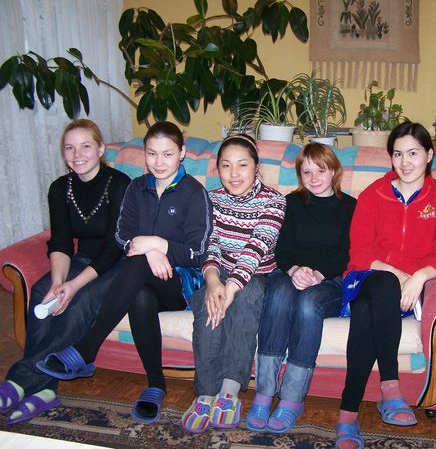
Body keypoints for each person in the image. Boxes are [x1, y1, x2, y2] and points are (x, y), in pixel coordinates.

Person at [36, 121, 213, 424]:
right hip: (145, 279)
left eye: (168, 154)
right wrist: (149, 251)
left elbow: (198, 252)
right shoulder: (136, 187)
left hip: (182, 283)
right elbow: (122, 235)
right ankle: (155, 386)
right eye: (152, 154)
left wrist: (157, 245)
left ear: (182, 153)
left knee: (136, 263)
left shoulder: (194, 193)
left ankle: (86, 349)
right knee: (141, 296)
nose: (159, 162)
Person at [335, 122, 436, 448]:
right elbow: (360, 253)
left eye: (413, 153)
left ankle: (347, 414)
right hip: (367, 276)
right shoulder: (373, 195)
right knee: (383, 286)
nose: (405, 162)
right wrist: (396, 274)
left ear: (429, 155)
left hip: (409, 289)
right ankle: (390, 386)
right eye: (397, 154)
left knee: (367, 311)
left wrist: (420, 276)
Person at [0, 119, 131, 424]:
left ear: (100, 149)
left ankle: (19, 380)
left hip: (120, 264)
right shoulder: (60, 188)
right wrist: (58, 281)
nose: (77, 154)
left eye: (85, 146)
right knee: (42, 296)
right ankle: (46, 390)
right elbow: (60, 241)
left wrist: (73, 286)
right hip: (82, 259)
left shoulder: (120, 184)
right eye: (69, 148)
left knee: (79, 302)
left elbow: (114, 246)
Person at [246, 142, 356, 433]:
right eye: (306, 172)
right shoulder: (291, 203)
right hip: (290, 273)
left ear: (334, 171)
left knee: (308, 305)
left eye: (321, 170)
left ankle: (292, 398)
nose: (314, 177)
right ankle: (264, 392)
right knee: (279, 296)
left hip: (330, 280)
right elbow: (281, 248)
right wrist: (294, 270)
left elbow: (347, 253)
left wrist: (319, 274)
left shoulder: (350, 207)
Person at [181, 134, 286, 434]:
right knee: (206, 301)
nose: (234, 174)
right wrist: (213, 281)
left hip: (257, 274)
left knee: (246, 295)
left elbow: (256, 248)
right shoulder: (211, 199)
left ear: (256, 166)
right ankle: (205, 393)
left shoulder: (274, 201)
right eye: (226, 166)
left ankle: (229, 391)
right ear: (218, 168)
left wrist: (230, 288)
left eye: (242, 165)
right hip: (219, 272)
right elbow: (209, 243)